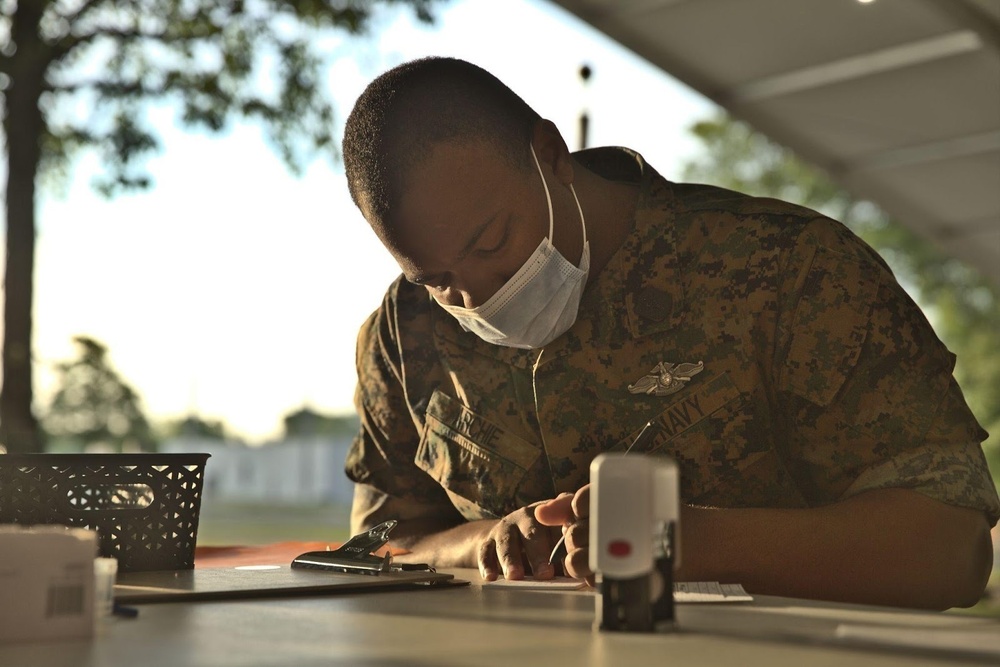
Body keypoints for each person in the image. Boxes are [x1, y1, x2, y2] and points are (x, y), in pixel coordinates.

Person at [340, 56, 1000, 610]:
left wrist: (689, 542)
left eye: (492, 241)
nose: (476, 295)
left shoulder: (787, 270)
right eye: (437, 277)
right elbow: (381, 546)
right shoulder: (406, 333)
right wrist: (485, 540)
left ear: (550, 156)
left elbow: (950, 549)